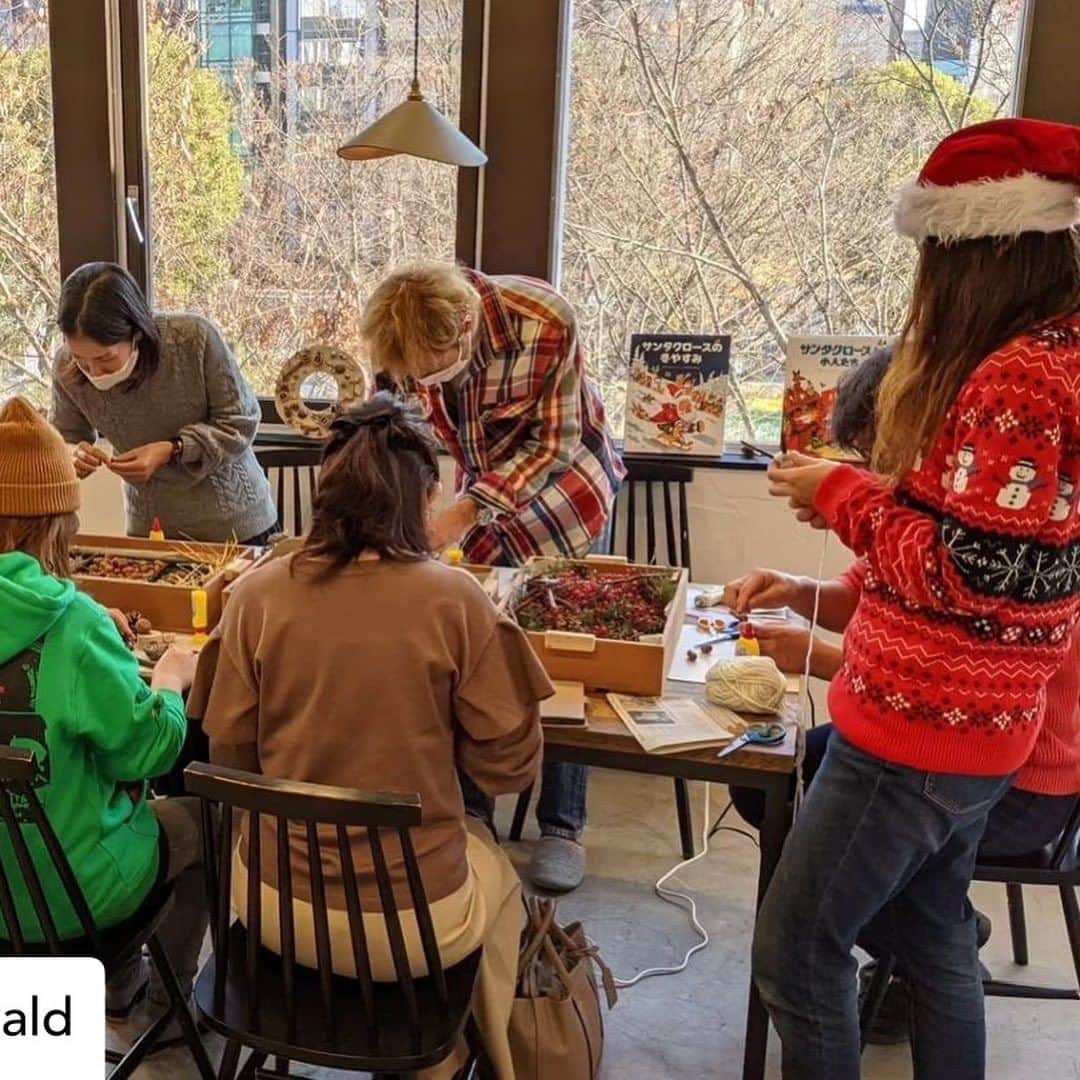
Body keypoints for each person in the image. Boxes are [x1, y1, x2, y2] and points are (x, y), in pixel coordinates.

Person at [752, 117, 1080, 1079]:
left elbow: (974, 571)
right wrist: (872, 503)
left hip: (920, 727)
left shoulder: (1013, 374)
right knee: (934, 939)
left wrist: (845, 496)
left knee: (797, 950)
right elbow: (1007, 544)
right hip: (985, 728)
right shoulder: (1058, 357)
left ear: (976, 250)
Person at [188, 393, 553, 1080]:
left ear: (326, 495)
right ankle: (459, 1060)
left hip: (269, 910)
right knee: (501, 878)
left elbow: (230, 756)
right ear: (425, 497)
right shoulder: (456, 600)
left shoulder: (258, 596)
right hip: (412, 932)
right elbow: (510, 770)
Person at [361, 262, 625, 892]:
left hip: (567, 497)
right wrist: (411, 495)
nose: (425, 381)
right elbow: (401, 421)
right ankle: (474, 810)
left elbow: (555, 444)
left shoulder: (545, 320)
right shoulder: (404, 335)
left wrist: (464, 509)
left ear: (467, 327)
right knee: (476, 649)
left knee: (565, 663)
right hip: (477, 497)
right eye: (414, 373)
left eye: (434, 367)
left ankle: (562, 825)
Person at [0, 396, 205, 1046]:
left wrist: (85, 626)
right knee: (204, 818)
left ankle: (41, 1039)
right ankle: (141, 997)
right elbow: (144, 754)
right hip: (65, 906)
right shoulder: (75, 623)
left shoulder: (77, 620)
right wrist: (169, 681)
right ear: (56, 520)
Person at [50, 262, 277, 544]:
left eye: (106, 360)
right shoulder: (65, 367)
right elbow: (63, 437)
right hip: (150, 529)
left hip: (236, 525)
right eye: (81, 361)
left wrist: (173, 449)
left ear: (136, 333)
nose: (94, 373)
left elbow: (240, 422)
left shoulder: (193, 339)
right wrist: (73, 455)